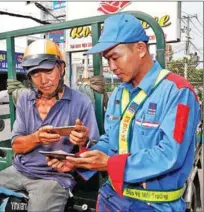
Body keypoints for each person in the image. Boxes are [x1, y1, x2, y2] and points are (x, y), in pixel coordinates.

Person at [47, 13, 201, 212]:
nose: (111, 67)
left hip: (155, 205)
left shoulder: (178, 92)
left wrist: (110, 164)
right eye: (106, 59)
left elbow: (169, 155)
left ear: (140, 48)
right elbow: (111, 142)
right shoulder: (119, 93)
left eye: (115, 57)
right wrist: (80, 161)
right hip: (112, 199)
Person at [0, 39, 100, 212]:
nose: (43, 80)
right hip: (18, 170)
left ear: (61, 69)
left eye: (48, 71)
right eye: (35, 73)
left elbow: (94, 153)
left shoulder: (81, 102)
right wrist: (37, 137)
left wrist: (82, 142)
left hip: (53, 178)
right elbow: (17, 145)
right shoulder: (25, 99)